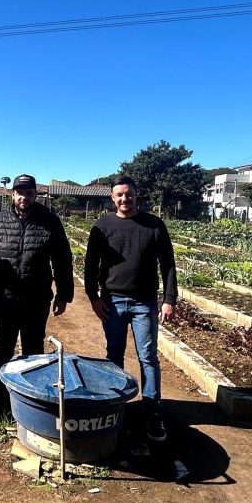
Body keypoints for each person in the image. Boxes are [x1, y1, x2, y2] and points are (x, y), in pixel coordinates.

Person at [84, 175, 177, 442]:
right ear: (112, 198)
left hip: (144, 301)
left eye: (129, 194)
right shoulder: (102, 226)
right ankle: (117, 404)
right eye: (119, 195)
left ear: (136, 195)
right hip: (112, 300)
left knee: (147, 356)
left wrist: (169, 299)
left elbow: (168, 264)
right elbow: (91, 265)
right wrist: (93, 296)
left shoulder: (153, 225)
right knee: (114, 354)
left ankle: (152, 409)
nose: (125, 199)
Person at [0, 174, 74, 406]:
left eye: (29, 193)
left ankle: (30, 402)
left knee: (33, 352)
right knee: (4, 350)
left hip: (36, 300)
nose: (24, 197)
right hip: (5, 299)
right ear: (12, 194)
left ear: (35, 195)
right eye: (20, 192)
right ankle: (0, 400)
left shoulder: (50, 221)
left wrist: (63, 294)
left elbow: (62, 260)